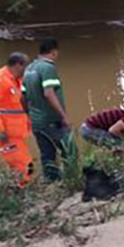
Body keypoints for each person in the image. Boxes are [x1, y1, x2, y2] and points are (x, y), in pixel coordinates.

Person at [23, 38, 72, 182]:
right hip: (51, 120)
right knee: (68, 150)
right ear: (54, 52)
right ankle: (71, 180)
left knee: (47, 154)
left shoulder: (29, 69)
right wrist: (63, 116)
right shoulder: (48, 67)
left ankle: (52, 182)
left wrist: (29, 115)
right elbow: (48, 93)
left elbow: (22, 96)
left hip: (37, 121)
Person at [0, 52, 33, 187]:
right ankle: (20, 192)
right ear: (18, 65)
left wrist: (30, 119)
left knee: (26, 163)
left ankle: (20, 189)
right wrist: (0, 131)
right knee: (21, 165)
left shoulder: (16, 80)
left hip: (15, 131)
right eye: (27, 67)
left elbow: (19, 102)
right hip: (4, 132)